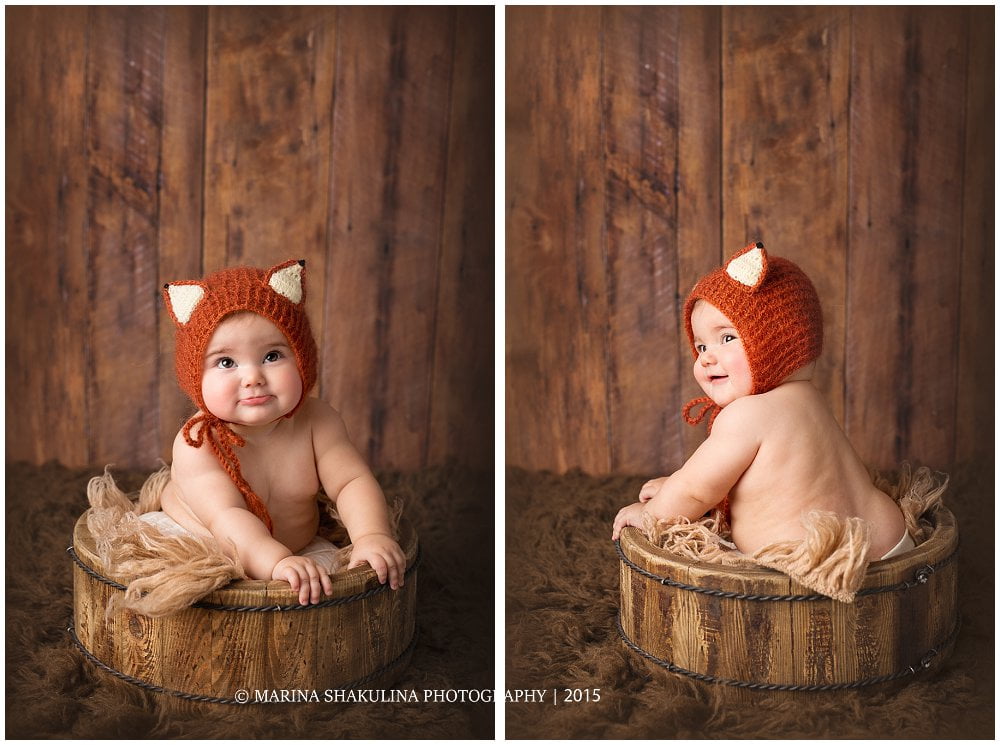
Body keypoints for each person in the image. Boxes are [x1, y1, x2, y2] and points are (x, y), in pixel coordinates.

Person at [612, 242, 912, 565]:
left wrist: (651, 513)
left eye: (727, 338)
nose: (706, 358)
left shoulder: (745, 415)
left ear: (778, 340)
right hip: (892, 542)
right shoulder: (810, 400)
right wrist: (672, 486)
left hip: (813, 565)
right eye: (700, 347)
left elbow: (695, 492)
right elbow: (728, 482)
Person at [148, 258, 406, 605]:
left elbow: (351, 481)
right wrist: (276, 561)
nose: (253, 377)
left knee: (331, 579)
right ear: (196, 377)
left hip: (295, 546)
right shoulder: (199, 443)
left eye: (272, 356)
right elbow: (227, 517)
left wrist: (371, 535)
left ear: (302, 360)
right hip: (200, 540)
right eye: (226, 362)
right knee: (158, 556)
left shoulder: (318, 421)